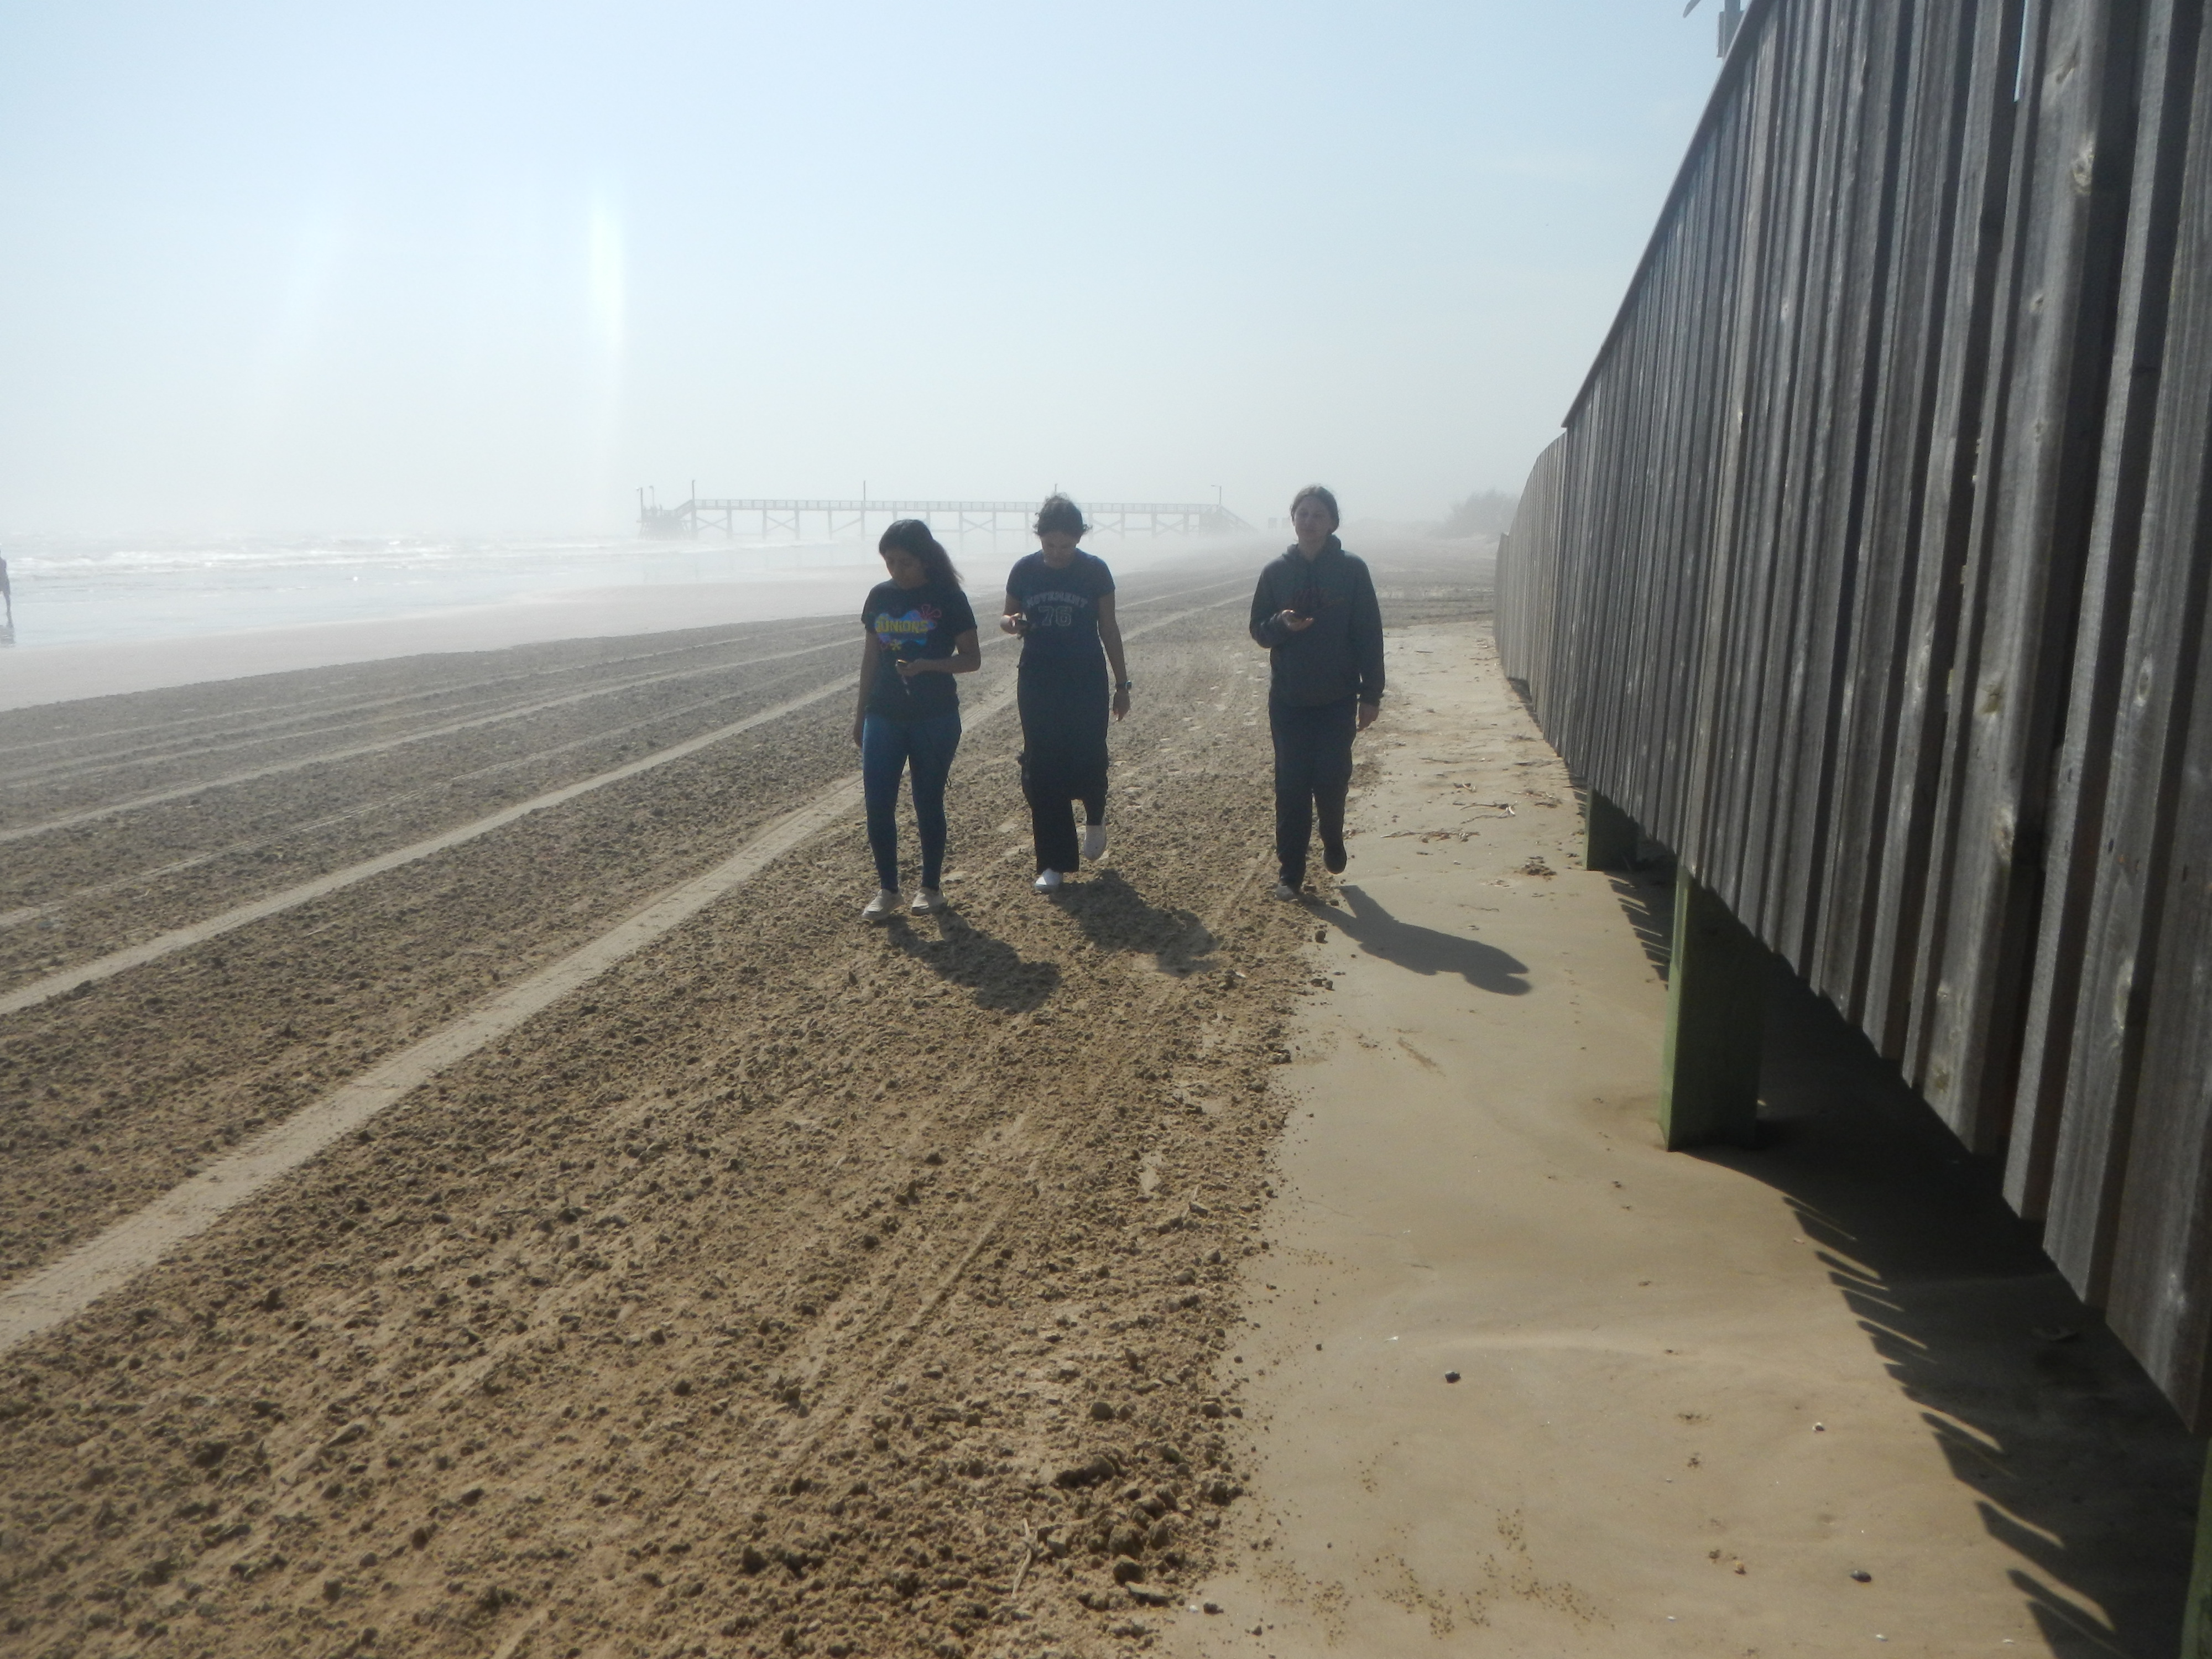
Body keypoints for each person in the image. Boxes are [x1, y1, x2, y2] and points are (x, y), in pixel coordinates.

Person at [1249, 485, 1384, 899]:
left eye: (1318, 515)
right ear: (1293, 520)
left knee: (1331, 779)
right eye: (1302, 514)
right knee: (1290, 786)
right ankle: (1291, 873)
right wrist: (1281, 625)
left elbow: (1368, 634)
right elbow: (1258, 630)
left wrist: (1371, 694)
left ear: (1332, 523)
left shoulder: (1351, 570)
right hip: (1289, 698)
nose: (1309, 521)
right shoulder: (1276, 572)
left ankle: (1333, 838)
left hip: (1337, 697)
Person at [1001, 494, 1131, 893]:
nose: (1058, 554)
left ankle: (1095, 815)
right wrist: (1014, 623)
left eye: (1066, 546)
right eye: (1050, 545)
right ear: (1039, 537)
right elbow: (1006, 618)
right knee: (1043, 766)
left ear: (1078, 540)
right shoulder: (1024, 570)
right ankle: (1053, 862)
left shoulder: (1095, 572)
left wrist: (1122, 685)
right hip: (1038, 678)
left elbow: (1108, 628)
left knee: (1088, 753)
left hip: (1086, 678)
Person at [854, 520, 980, 920]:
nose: (896, 570)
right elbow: (871, 658)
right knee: (878, 803)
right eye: (889, 561)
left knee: (927, 801)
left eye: (904, 562)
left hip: (935, 716)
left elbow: (972, 659)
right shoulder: (879, 597)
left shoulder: (949, 597)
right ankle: (888, 889)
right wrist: (860, 715)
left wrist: (929, 665)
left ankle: (930, 888)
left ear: (924, 560)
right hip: (884, 714)